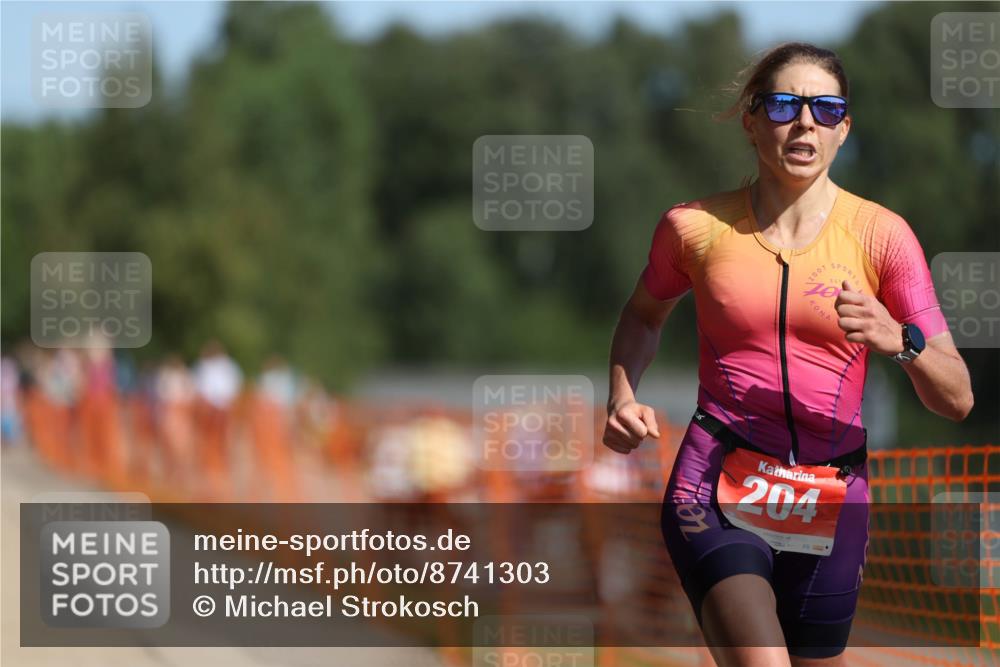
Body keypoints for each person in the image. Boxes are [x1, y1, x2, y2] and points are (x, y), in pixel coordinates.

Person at [602, 42, 973, 667]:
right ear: (751, 120)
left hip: (832, 495)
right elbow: (642, 314)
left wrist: (900, 341)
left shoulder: (882, 237)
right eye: (784, 105)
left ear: (843, 129)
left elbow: (957, 398)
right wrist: (621, 394)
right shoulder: (694, 227)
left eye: (826, 109)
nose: (805, 123)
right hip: (715, 482)